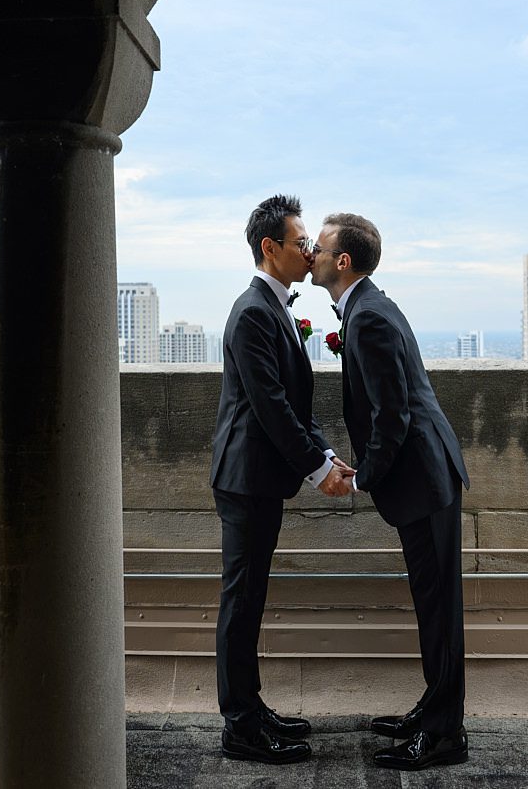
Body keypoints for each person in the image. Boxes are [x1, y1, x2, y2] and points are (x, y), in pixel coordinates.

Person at [310, 212, 471, 771]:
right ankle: (435, 710)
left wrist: (363, 475)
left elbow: (393, 415)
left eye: (321, 247)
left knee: (439, 608)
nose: (312, 253)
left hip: (423, 480)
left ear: (343, 261)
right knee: (433, 604)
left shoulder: (369, 318)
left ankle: (446, 735)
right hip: (427, 477)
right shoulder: (371, 305)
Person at [210, 194, 354, 765]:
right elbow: (270, 407)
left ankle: (252, 707)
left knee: (251, 597)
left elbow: (296, 402)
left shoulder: (274, 310)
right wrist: (318, 471)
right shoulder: (251, 313)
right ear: (270, 249)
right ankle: (240, 726)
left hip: (261, 477)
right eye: (301, 242)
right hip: (245, 479)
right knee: (241, 601)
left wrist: (324, 449)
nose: (311, 249)